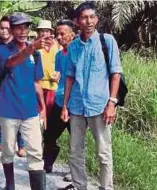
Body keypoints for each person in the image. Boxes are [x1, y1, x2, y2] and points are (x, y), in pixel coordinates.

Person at [60, 2, 123, 190]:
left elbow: (116, 73)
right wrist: (65, 106)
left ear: (96, 19)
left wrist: (112, 102)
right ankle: (80, 186)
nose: (88, 21)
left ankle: (106, 187)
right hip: (77, 106)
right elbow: (69, 78)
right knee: (74, 151)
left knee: (104, 153)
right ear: (77, 21)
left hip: (99, 106)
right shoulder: (73, 47)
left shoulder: (107, 41)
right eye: (84, 18)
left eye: (92, 17)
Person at [0, 12, 53, 190]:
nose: (23, 31)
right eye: (18, 27)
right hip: (8, 110)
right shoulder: (2, 49)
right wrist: (31, 48)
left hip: (30, 111)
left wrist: (43, 108)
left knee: (36, 153)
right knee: (7, 151)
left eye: (26, 27)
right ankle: (10, 184)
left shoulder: (35, 54)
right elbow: (11, 62)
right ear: (12, 30)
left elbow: (37, 82)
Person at [0, 16, 26, 157]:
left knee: (19, 114)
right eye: (2, 28)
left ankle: (21, 145)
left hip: (16, 86)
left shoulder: (19, 45)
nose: (4, 31)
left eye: (7, 28)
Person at [42, 19, 75, 174]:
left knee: (75, 139)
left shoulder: (78, 53)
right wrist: (57, 75)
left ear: (73, 35)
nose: (59, 37)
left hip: (75, 105)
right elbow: (61, 74)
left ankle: (73, 171)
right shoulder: (60, 54)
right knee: (49, 134)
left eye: (63, 34)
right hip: (59, 100)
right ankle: (47, 164)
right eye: (57, 34)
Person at [35, 20, 60, 114]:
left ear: (50, 32)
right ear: (38, 32)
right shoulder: (34, 45)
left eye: (47, 31)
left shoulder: (57, 45)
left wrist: (59, 73)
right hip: (38, 84)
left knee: (50, 113)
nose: (45, 33)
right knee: (38, 112)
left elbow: (62, 62)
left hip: (53, 84)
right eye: (42, 31)